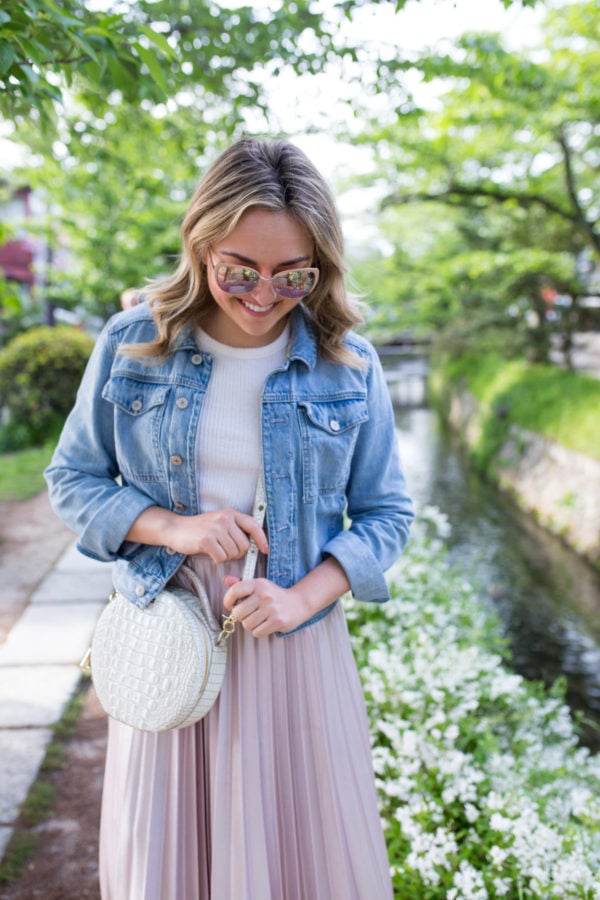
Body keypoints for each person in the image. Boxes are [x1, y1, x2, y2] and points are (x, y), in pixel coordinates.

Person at [45, 137, 414, 900]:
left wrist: (301, 596)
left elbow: (386, 515)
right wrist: (174, 528)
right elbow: (72, 481)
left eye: (293, 274)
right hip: (167, 638)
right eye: (238, 269)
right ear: (201, 243)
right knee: (169, 863)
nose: (262, 293)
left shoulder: (351, 364)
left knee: (306, 861)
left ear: (321, 265)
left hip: (293, 645)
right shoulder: (132, 344)